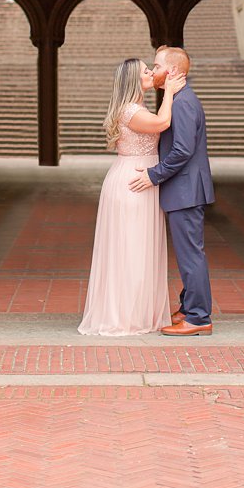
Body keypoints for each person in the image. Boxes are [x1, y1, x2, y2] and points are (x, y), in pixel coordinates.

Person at [78, 59, 186, 336]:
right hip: (132, 183)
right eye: (146, 71)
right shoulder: (130, 111)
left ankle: (139, 312)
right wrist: (171, 91)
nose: (151, 72)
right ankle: (124, 316)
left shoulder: (137, 108)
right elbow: (163, 123)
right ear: (133, 81)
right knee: (131, 250)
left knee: (140, 249)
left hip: (141, 180)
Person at [129, 45, 216, 335]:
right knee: (187, 253)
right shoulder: (177, 99)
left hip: (186, 189)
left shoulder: (183, 102)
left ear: (174, 71)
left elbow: (181, 151)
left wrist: (154, 175)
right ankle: (189, 307)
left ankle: (199, 318)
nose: (153, 71)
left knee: (191, 254)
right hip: (183, 189)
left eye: (156, 65)